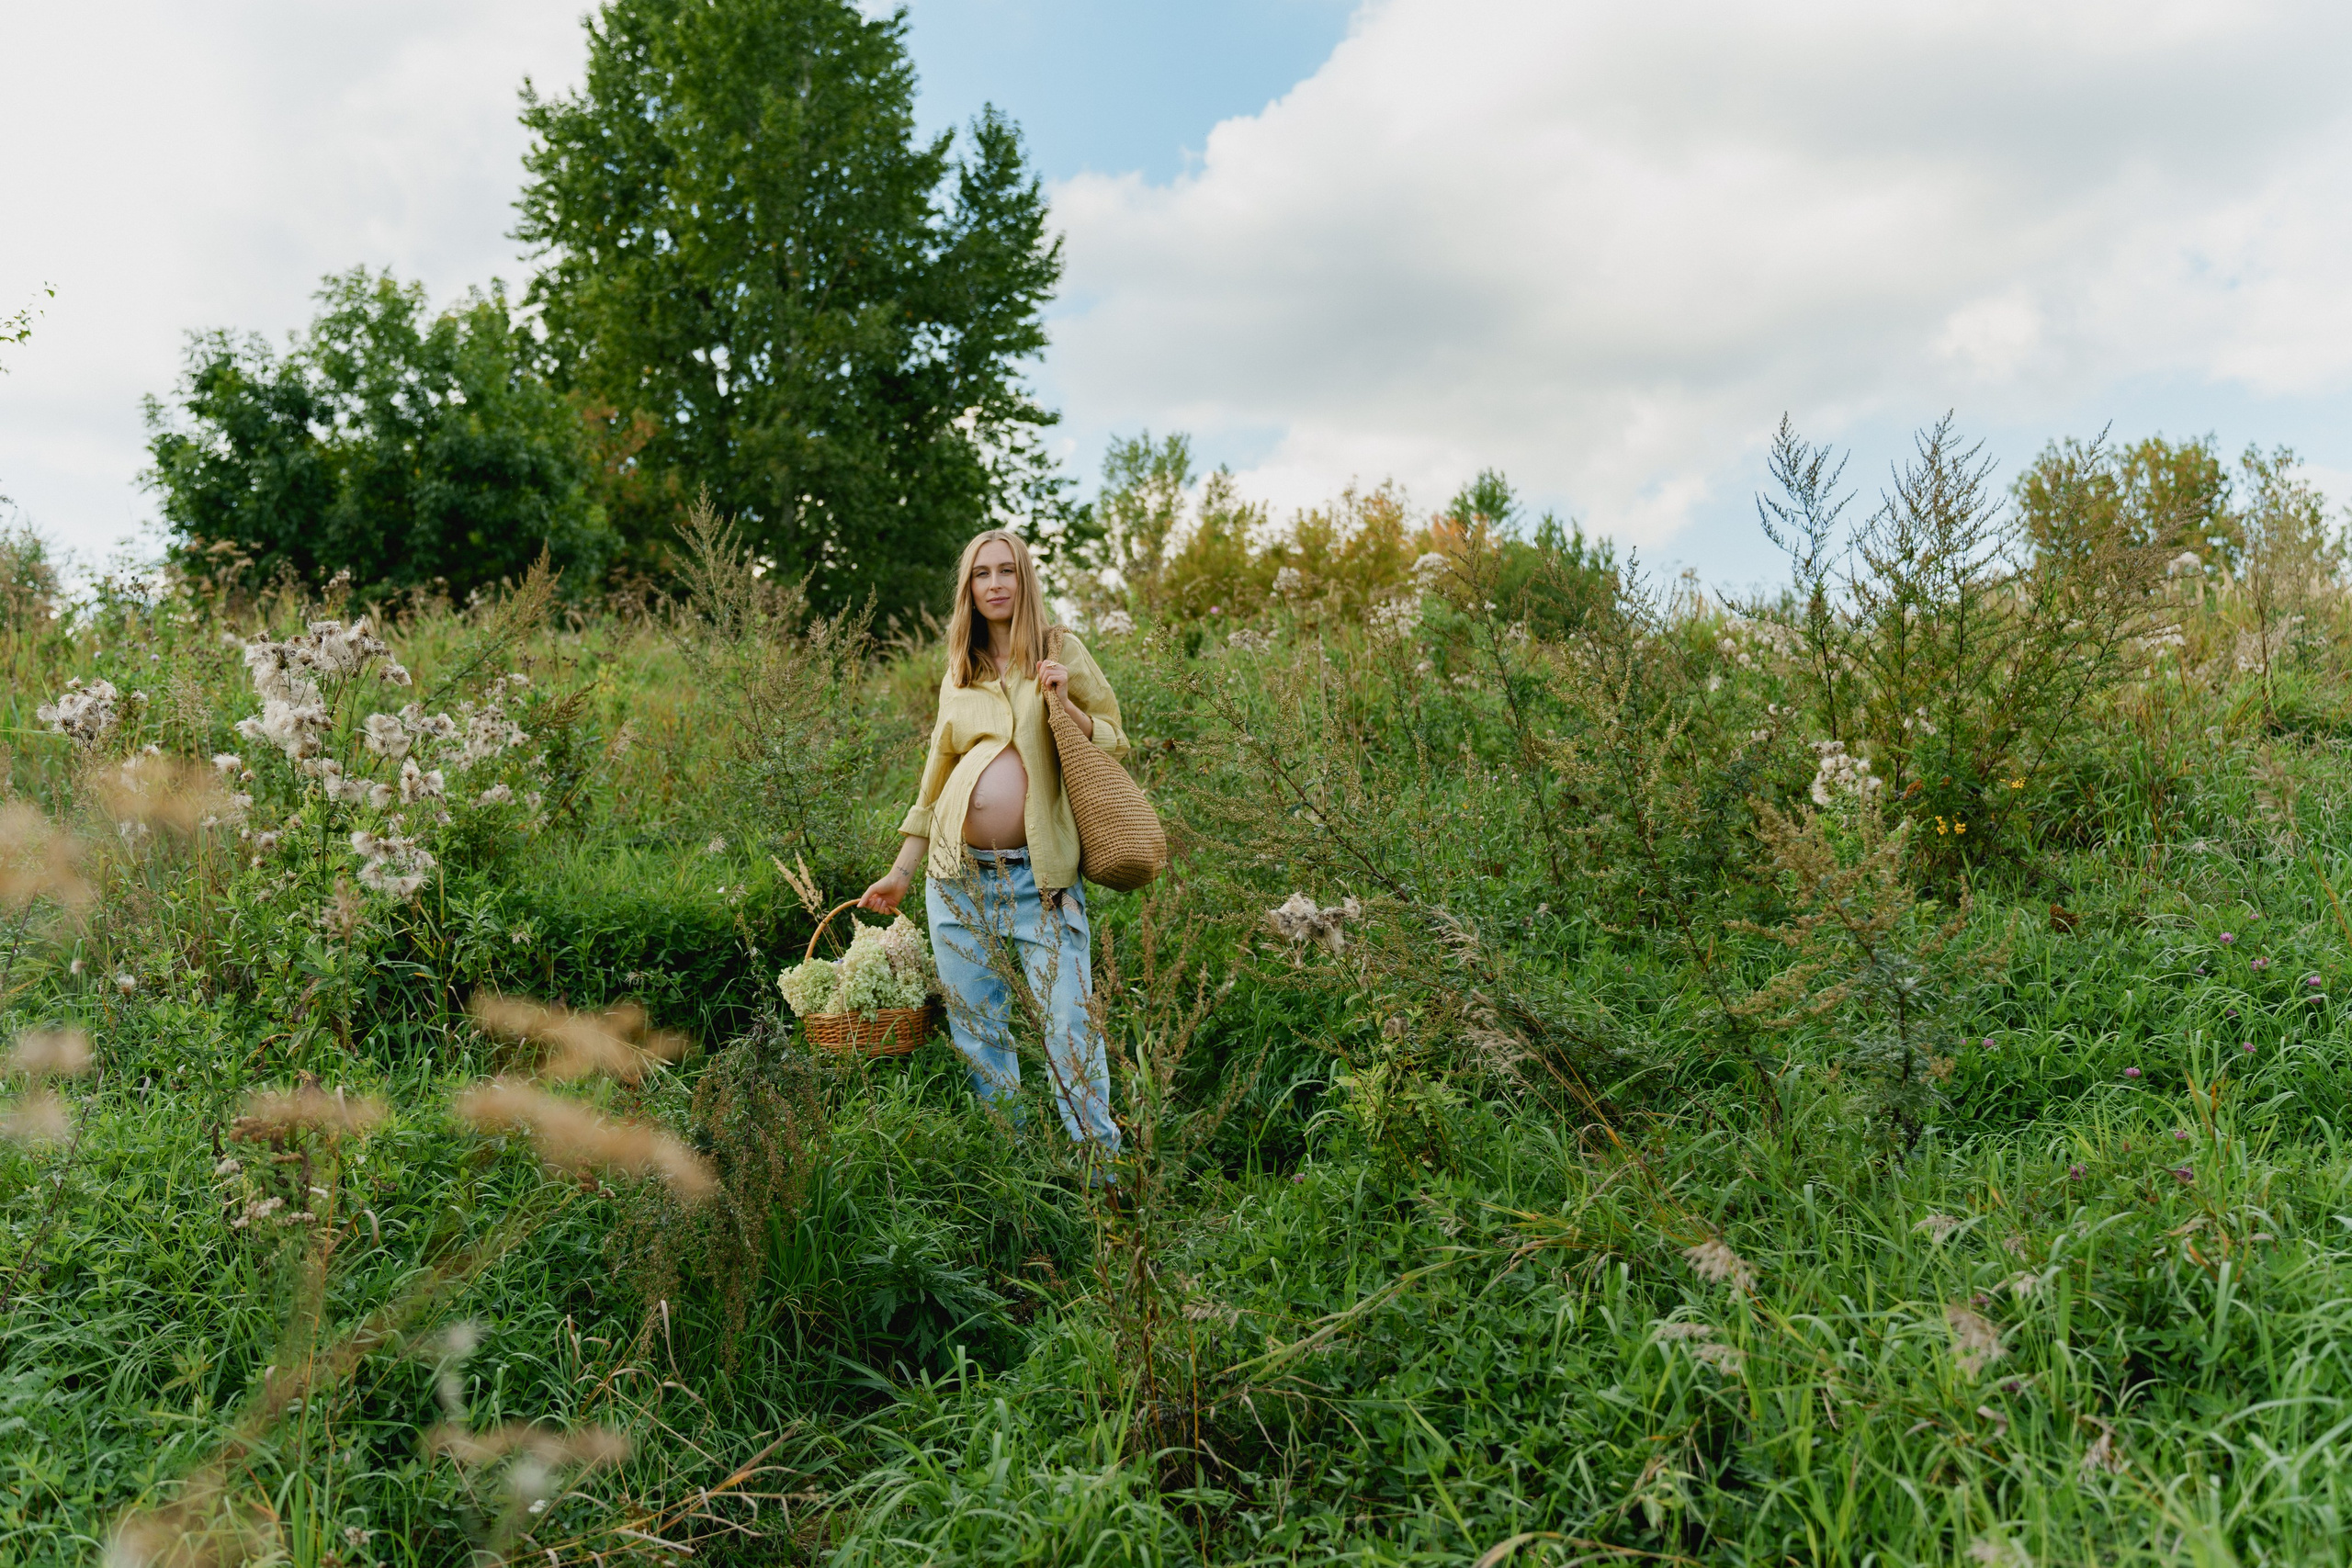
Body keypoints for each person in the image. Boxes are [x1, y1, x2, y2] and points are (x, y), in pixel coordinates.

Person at [858, 528, 1126, 1156]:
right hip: (957, 880)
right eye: (983, 574)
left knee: (1070, 1026)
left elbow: (1114, 735)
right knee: (980, 1033)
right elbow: (937, 771)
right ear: (969, 588)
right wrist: (902, 869)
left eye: (1007, 571)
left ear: (1025, 578)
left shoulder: (1062, 650)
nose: (996, 584)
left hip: (1043, 880)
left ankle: (1103, 1168)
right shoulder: (961, 667)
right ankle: (1014, 1171)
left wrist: (1067, 703)